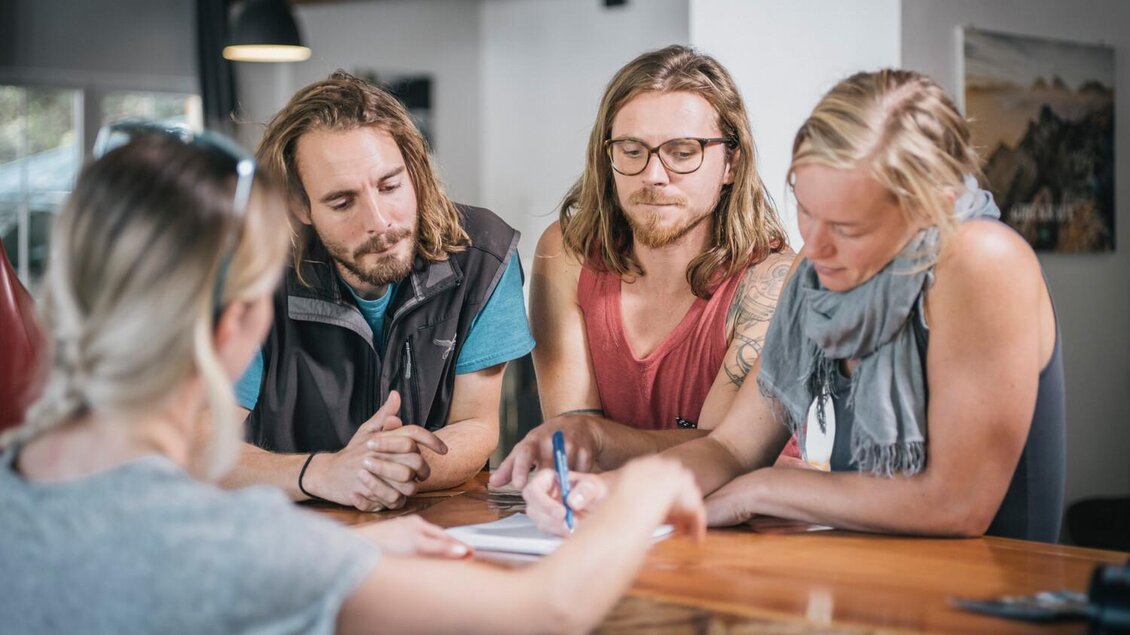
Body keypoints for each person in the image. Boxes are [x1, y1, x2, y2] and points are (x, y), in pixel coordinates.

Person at [0, 128, 706, 635]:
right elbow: (549, 609)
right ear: (236, 324)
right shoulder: (237, 544)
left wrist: (351, 549)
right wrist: (646, 487)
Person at [524, 68, 1065, 543]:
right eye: (807, 212)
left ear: (932, 207)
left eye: (849, 227)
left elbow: (958, 505)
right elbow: (732, 449)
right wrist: (609, 491)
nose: (816, 247)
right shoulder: (818, 269)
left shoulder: (983, 259)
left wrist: (764, 489)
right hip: (871, 580)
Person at [492, 45, 801, 490]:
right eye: (632, 150)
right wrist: (584, 443)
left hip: (743, 526)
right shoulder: (567, 252)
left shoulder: (768, 279)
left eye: (682, 151)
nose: (653, 175)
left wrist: (597, 440)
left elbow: (723, 452)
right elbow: (576, 444)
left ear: (731, 162)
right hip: (604, 509)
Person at [228, 71, 536, 511]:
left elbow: (476, 424)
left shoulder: (485, 254)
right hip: (285, 527)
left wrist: (384, 469)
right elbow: (206, 448)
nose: (379, 221)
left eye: (390, 186)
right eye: (342, 201)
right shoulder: (251, 272)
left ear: (414, 170)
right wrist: (324, 474)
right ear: (300, 206)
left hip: (424, 521)